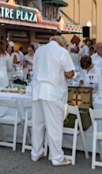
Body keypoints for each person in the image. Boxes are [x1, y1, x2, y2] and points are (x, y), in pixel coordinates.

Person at [31, 36, 75, 166]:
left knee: (37, 124)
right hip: (52, 91)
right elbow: (70, 73)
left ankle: (36, 152)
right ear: (62, 43)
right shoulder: (62, 52)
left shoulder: (39, 51)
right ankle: (57, 157)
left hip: (37, 89)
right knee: (54, 126)